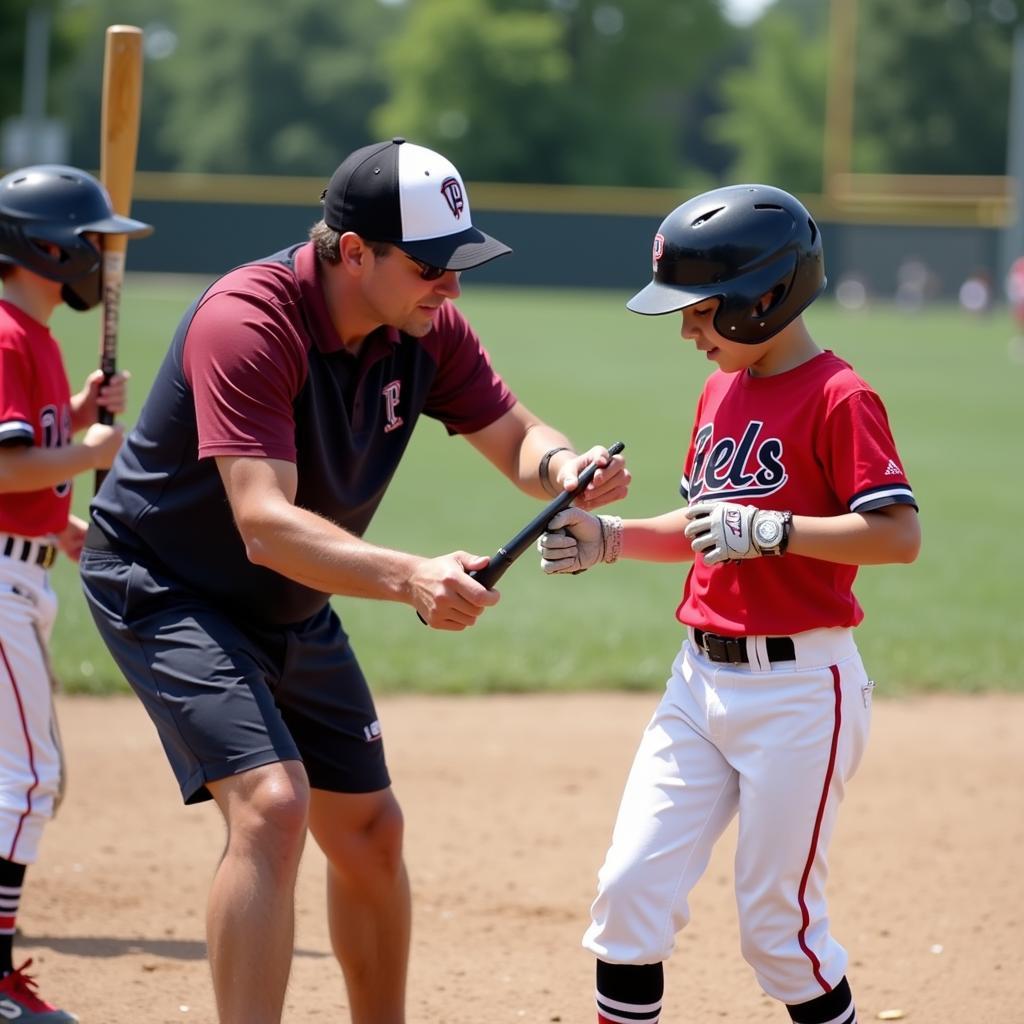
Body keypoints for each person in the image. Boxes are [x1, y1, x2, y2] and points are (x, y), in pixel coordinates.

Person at [78, 137, 629, 1024]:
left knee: (372, 835)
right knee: (271, 804)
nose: (450, 288)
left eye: (460, 265)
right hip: (167, 584)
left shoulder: (425, 326)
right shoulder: (248, 320)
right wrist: (412, 575)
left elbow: (517, 435)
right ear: (352, 251)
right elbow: (262, 522)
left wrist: (567, 467)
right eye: (431, 268)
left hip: (291, 594)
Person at [538, 184, 920, 1024]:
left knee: (778, 934)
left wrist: (778, 532)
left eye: (700, 312)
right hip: (697, 683)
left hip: (799, 693)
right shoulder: (722, 391)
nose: (688, 333)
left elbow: (896, 535)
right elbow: (710, 525)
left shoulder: (839, 396)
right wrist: (612, 538)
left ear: (765, 297)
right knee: (629, 897)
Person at [0, 164, 150, 1022]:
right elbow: (5, 463)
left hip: (25, 568)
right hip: (2, 582)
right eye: (93, 242)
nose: (102, 258)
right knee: (26, 781)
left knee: (23, 781)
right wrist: (92, 452)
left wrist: (64, 518)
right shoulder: (8, 334)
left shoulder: (36, 338)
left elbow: (28, 466)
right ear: (46, 247)